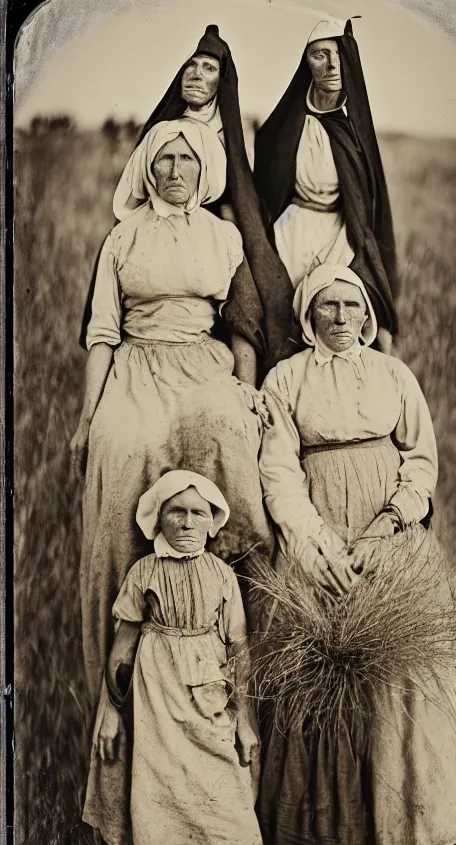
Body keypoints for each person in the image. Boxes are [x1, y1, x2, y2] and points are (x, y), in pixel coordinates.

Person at [256, 262, 456, 845]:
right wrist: (314, 546)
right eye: (329, 308)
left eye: (353, 308)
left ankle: (406, 831)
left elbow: (421, 461)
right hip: (318, 540)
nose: (343, 319)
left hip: (389, 536)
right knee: (315, 662)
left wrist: (389, 527)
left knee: (407, 662)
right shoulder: (285, 381)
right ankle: (321, 843)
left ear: (368, 315)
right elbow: (279, 474)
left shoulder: (394, 375)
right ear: (308, 318)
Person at [70, 119, 273, 714]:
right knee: (120, 446)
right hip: (136, 365)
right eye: (165, 161)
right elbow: (102, 334)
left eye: (187, 160)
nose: (176, 171)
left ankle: (245, 616)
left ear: (204, 170)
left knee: (229, 435)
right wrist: (87, 418)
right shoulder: (123, 239)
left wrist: (247, 390)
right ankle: (118, 665)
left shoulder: (223, 237)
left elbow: (243, 326)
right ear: (147, 170)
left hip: (203, 365)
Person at [79, 25, 295, 370]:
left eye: (208, 69)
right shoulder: (165, 127)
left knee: (246, 299)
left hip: (217, 227)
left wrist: (228, 231)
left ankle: (247, 389)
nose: (196, 75)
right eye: (191, 67)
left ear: (221, 82)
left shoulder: (233, 133)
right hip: (160, 220)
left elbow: (241, 192)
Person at [83, 471, 266, 845]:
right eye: (176, 513)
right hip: (158, 691)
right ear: (158, 519)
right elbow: (123, 652)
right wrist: (112, 713)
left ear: (212, 520)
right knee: (160, 777)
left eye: (198, 513)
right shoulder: (144, 572)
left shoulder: (221, 574)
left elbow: (238, 648)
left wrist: (246, 722)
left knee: (221, 769)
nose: (186, 523)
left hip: (208, 684)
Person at [253, 19, 398, 353]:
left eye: (338, 55)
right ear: (306, 62)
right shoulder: (284, 128)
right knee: (277, 316)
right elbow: (266, 192)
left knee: (352, 316)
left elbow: (366, 205)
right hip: (291, 230)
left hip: (340, 234)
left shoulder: (352, 134)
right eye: (320, 54)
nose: (332, 65)